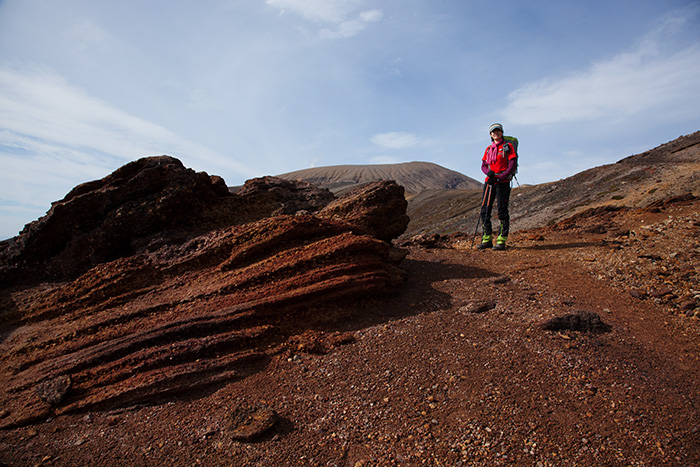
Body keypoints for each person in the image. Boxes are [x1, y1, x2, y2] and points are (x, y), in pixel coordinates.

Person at [477, 123, 518, 251]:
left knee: (502, 211)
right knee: (485, 211)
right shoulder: (489, 149)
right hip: (490, 182)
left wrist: (502, 176)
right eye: (493, 132)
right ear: (490, 134)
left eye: (498, 131)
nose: (496, 133)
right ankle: (486, 239)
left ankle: (501, 241)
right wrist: (488, 173)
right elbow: (483, 165)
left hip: (503, 182)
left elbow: (512, 163)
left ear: (502, 132)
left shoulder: (507, 146)